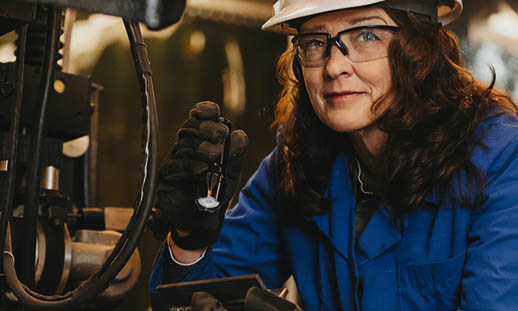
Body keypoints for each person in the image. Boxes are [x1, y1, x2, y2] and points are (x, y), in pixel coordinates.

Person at [150, 0, 518, 310]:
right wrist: (187, 240)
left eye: (366, 35)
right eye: (314, 42)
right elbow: (196, 297)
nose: (333, 66)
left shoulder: (501, 157)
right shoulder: (296, 161)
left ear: (421, 49)